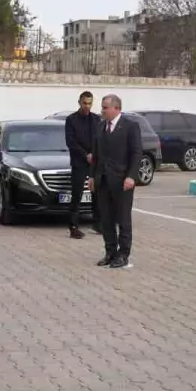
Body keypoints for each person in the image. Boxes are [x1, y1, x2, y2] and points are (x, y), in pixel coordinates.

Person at [87, 95, 142, 268]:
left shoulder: (130, 127)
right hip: (102, 180)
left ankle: (123, 254)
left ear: (116, 108)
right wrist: (91, 176)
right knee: (106, 219)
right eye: (102, 107)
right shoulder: (100, 127)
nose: (101, 110)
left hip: (122, 180)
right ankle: (110, 252)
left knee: (123, 219)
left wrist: (131, 176)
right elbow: (95, 155)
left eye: (105, 107)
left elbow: (136, 153)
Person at [64, 91, 100, 239]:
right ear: (79, 102)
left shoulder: (96, 119)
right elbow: (71, 142)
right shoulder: (71, 120)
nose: (87, 106)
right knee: (77, 194)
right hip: (79, 162)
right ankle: (73, 227)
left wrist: (95, 155)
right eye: (85, 103)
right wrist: (86, 155)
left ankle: (98, 224)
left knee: (96, 193)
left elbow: (100, 140)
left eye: (90, 103)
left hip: (94, 162)